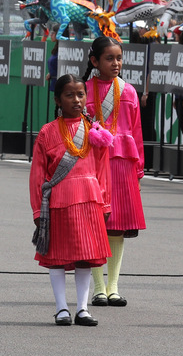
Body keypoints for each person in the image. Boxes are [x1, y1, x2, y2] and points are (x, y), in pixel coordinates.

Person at [29, 74, 112, 327]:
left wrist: (105, 203)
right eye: (69, 95)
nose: (76, 100)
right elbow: (37, 174)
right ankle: (62, 308)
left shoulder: (95, 130)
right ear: (57, 99)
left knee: (85, 256)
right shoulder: (47, 132)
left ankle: (83, 308)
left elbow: (102, 170)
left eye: (80, 94)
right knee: (58, 256)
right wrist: (37, 211)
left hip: (89, 201)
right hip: (59, 201)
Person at [83, 36, 146, 307]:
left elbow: (136, 131)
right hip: (94, 163)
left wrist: (139, 169)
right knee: (97, 223)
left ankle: (113, 286)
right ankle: (97, 287)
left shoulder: (129, 91)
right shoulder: (83, 90)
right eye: (109, 58)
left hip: (122, 163)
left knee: (117, 226)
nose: (116, 63)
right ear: (95, 61)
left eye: (119, 58)